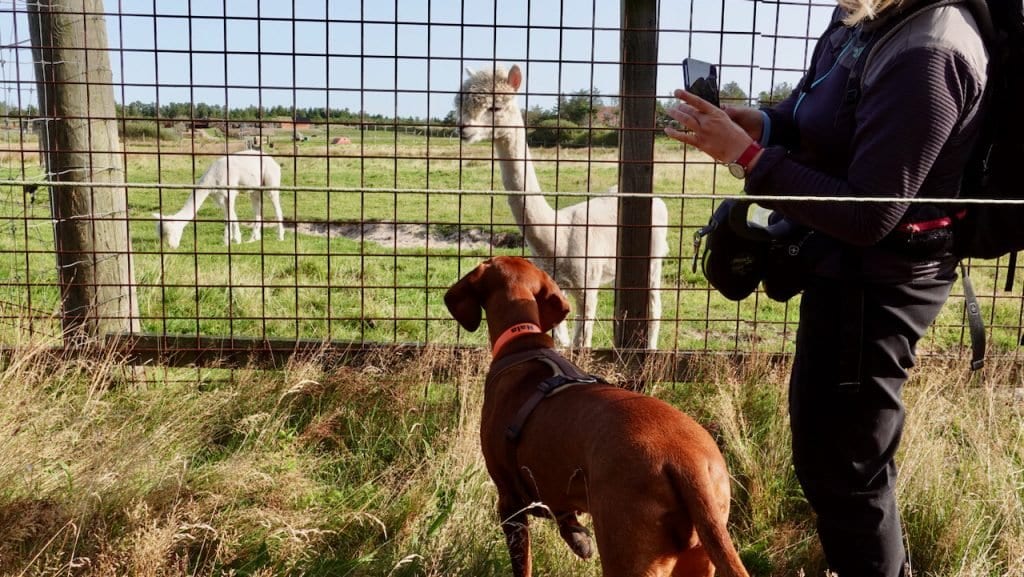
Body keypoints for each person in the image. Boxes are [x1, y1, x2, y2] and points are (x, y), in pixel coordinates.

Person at [665, 1, 990, 576]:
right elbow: (814, 113)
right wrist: (760, 125)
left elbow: (870, 213)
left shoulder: (932, 51)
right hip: (842, 270)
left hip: (881, 286)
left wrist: (745, 157)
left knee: (848, 473)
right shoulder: (861, 18)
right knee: (836, 461)